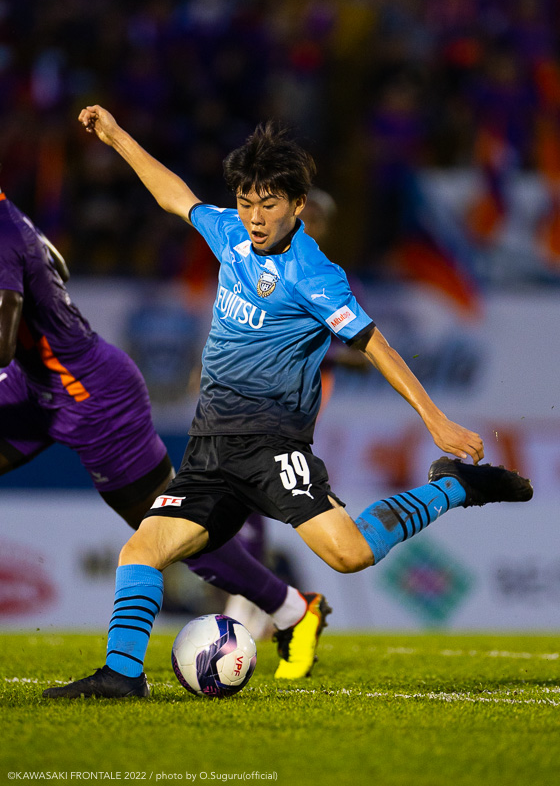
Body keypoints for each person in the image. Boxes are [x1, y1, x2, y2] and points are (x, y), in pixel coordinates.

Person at [43, 108, 533, 699]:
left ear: (298, 205)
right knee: (141, 550)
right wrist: (118, 136)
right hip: (209, 450)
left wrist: (437, 420)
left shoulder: (315, 274)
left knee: (348, 555)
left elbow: (374, 344)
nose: (254, 217)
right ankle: (123, 676)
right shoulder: (230, 233)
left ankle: (453, 485)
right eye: (246, 202)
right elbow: (177, 197)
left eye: (268, 204)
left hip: (272, 448)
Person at [0, 188, 331, 681]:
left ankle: (289, 609)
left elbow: (2, 344)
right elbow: (56, 266)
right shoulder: (12, 217)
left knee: (170, 534)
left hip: (93, 397)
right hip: (33, 385)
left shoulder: (3, 230)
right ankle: (290, 610)